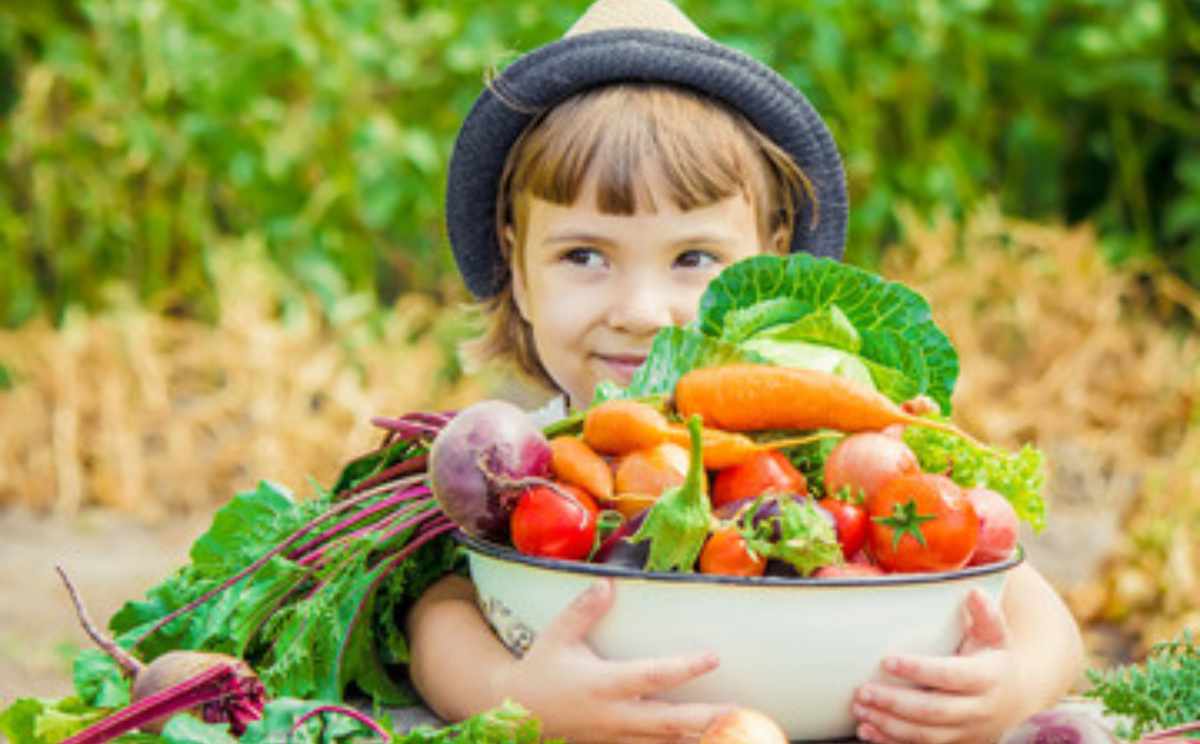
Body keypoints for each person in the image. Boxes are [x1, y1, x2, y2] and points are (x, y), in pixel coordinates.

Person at [406, 2, 1084, 743]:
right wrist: (512, 691)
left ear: (770, 260)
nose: (641, 311)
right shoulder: (518, 468)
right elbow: (436, 613)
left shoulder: (829, 447)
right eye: (584, 256)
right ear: (519, 268)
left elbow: (1038, 611)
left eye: (693, 259)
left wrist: (1011, 686)